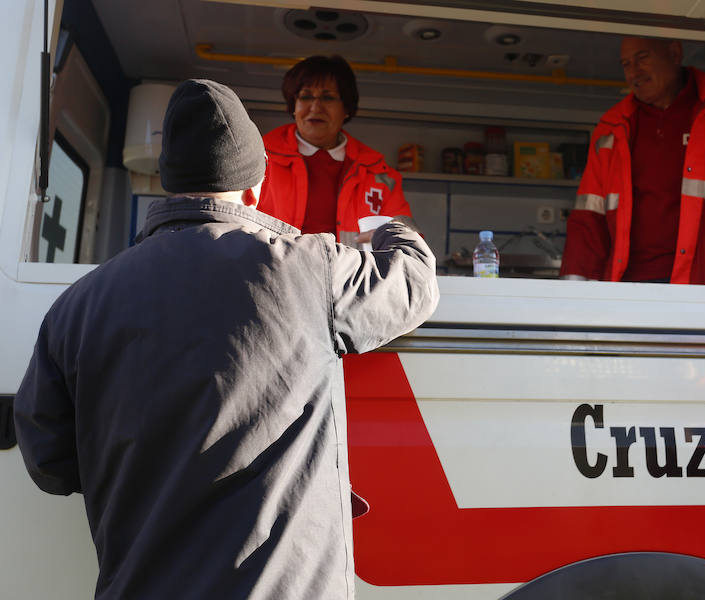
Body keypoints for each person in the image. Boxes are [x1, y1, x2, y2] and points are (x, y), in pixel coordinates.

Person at [14, 79, 439, 599]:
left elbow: (50, 464)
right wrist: (394, 232)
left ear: (168, 184)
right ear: (255, 188)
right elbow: (413, 286)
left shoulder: (76, 306)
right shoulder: (311, 267)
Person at [560, 36, 705, 286]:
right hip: (627, 295)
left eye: (642, 58)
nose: (634, 72)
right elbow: (586, 227)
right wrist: (572, 307)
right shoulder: (610, 130)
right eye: (626, 64)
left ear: (674, 53)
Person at [259, 55, 415, 244]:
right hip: (274, 272)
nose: (315, 107)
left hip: (350, 273)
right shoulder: (258, 159)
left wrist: (390, 238)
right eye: (306, 96)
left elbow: (411, 239)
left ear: (346, 109)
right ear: (294, 105)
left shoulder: (378, 173)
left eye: (328, 97)